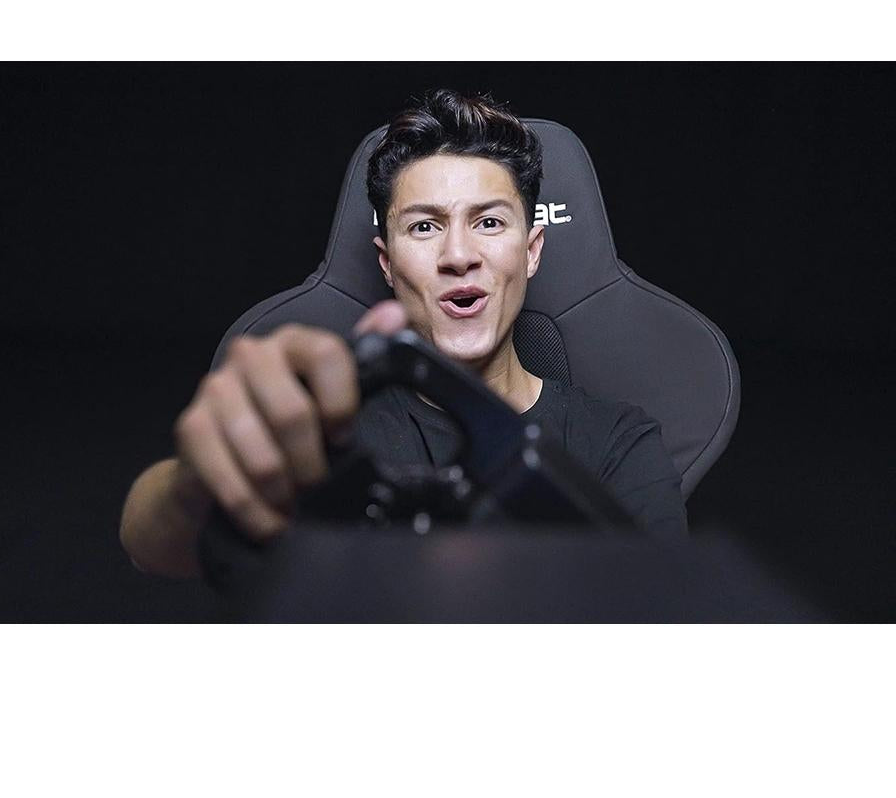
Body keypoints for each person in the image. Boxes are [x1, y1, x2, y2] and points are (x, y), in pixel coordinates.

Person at [119, 89, 687, 579]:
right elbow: (150, 546)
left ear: (531, 251)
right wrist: (195, 484)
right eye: (424, 226)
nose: (458, 255)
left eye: (489, 222)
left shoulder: (617, 442)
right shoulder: (326, 433)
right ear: (387, 264)